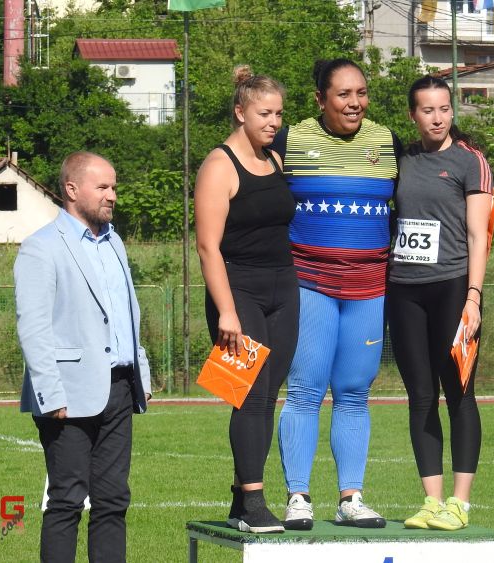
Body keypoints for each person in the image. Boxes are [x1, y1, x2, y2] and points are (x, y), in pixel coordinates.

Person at [270, 58, 401, 530]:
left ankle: (351, 498)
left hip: (369, 290)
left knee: (354, 393)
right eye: (343, 94)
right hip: (310, 286)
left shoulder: (387, 141)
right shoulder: (290, 140)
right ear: (320, 99)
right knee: (305, 390)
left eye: (361, 92)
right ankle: (298, 497)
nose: (354, 102)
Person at [15, 151, 152, 563]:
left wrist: (141, 374)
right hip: (67, 395)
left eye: (114, 187)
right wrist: (50, 393)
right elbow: (33, 327)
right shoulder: (40, 247)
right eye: (103, 187)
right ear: (72, 190)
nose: (112, 195)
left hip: (120, 389)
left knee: (113, 500)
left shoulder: (115, 243)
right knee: (66, 501)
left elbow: (128, 313)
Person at [386, 76, 494, 531]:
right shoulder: (401, 159)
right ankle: (431, 502)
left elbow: (477, 236)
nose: (437, 118)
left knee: (459, 394)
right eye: (428, 110)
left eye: (445, 109)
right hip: (404, 290)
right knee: (420, 396)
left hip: (453, 290)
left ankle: (459, 504)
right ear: (413, 115)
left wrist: (473, 297)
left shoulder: (471, 161)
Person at [195, 66, 298, 534]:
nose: (273, 122)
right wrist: (227, 311)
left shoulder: (274, 159)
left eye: (278, 114)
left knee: (268, 395)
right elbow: (207, 246)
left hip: (283, 289)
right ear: (240, 112)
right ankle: (254, 501)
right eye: (264, 113)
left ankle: (240, 499)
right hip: (238, 292)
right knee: (249, 396)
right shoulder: (219, 166)